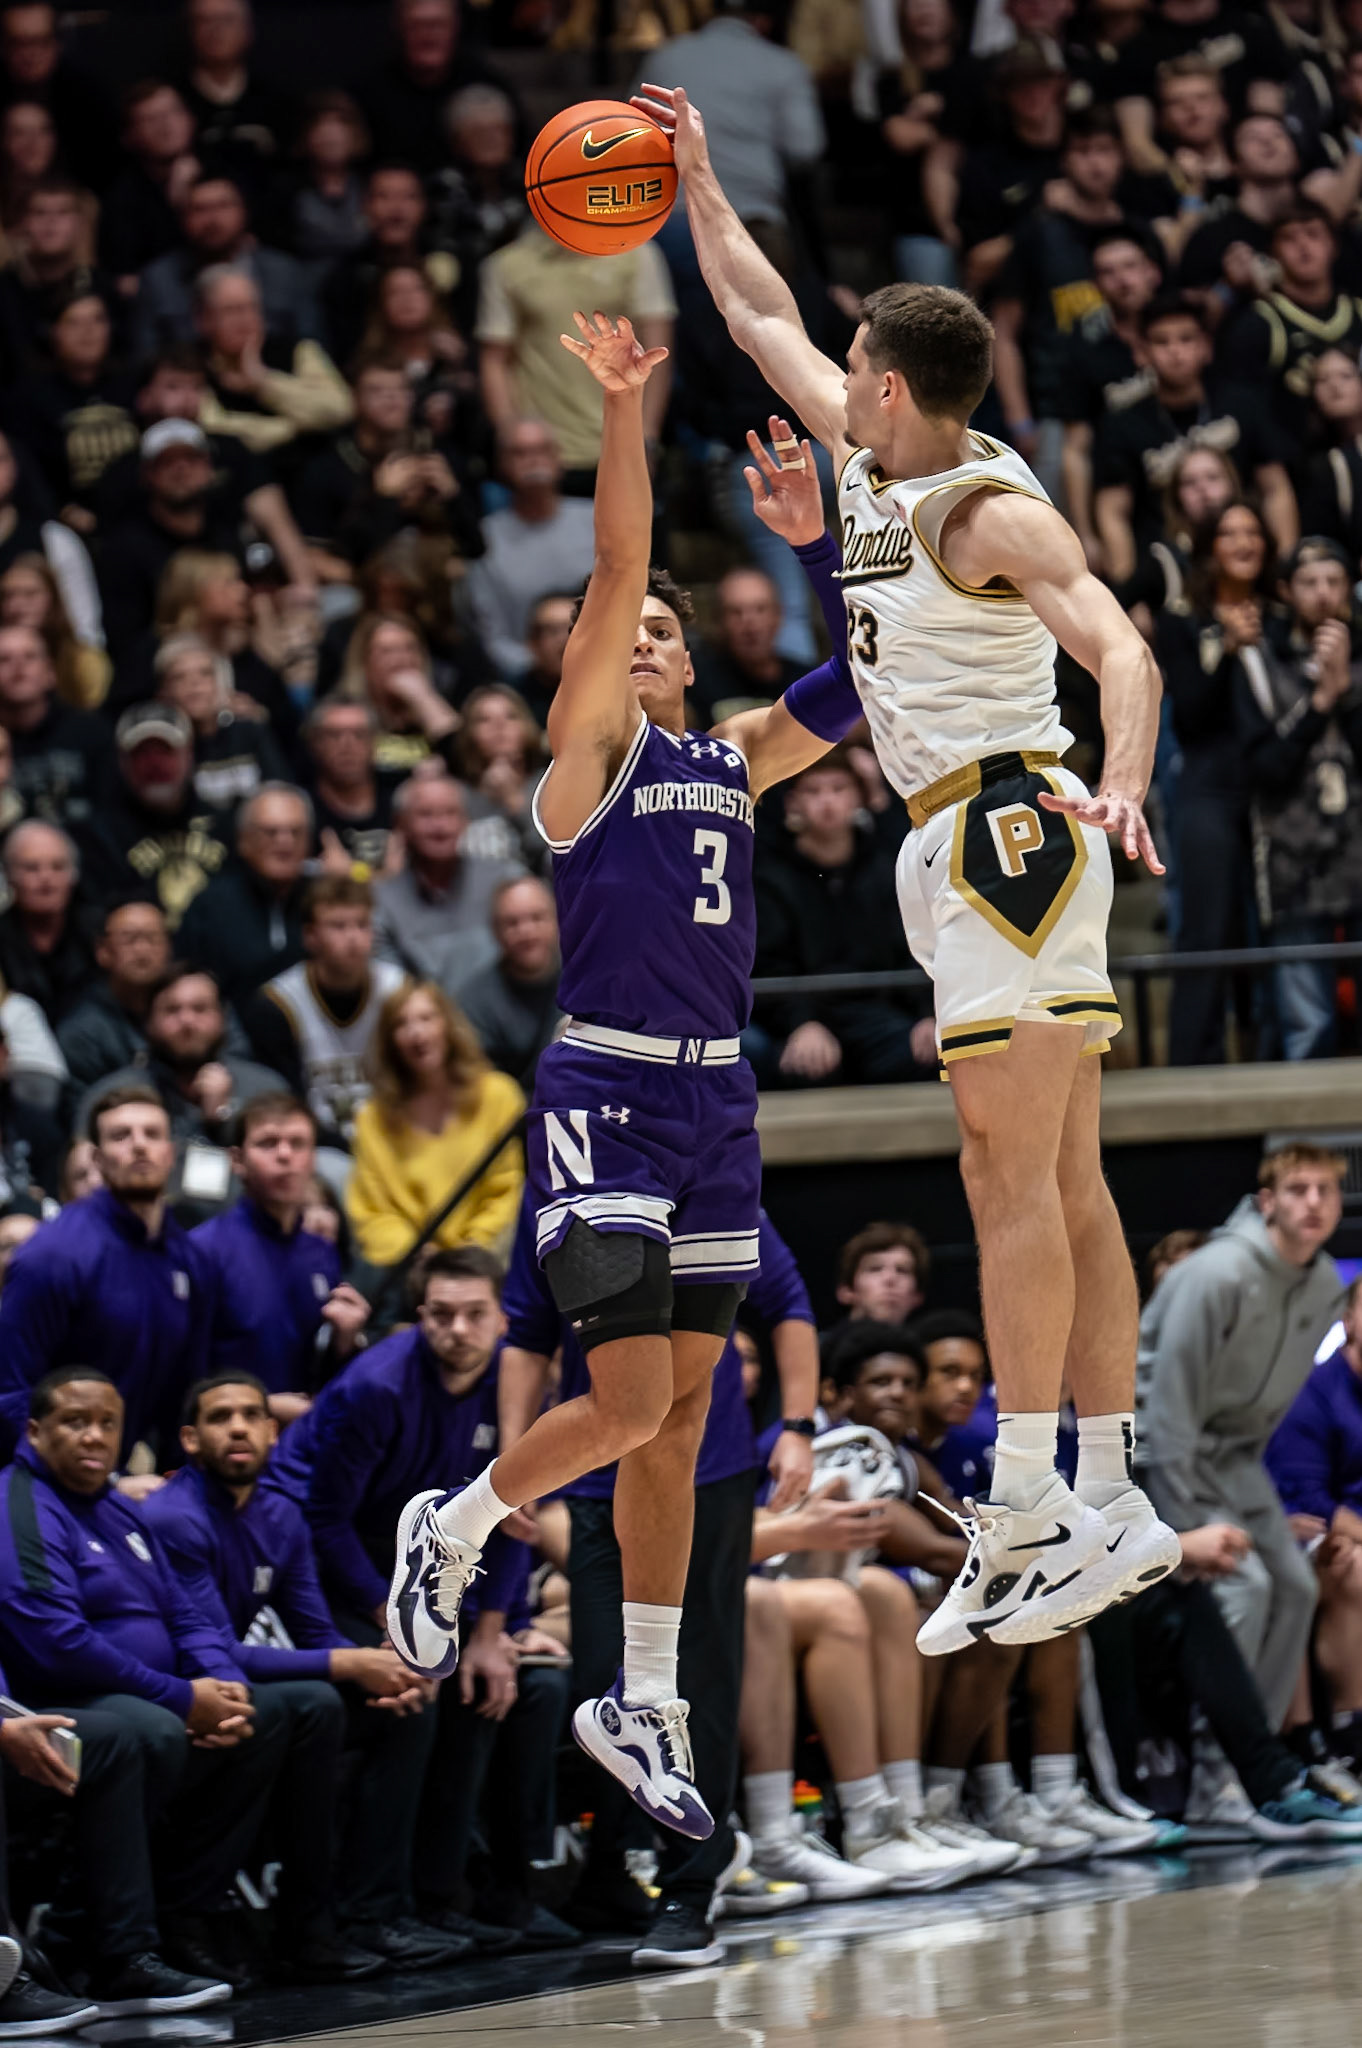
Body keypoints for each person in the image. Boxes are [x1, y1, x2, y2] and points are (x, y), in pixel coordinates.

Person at [650, 79, 1181, 1650]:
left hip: (1011, 828)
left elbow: (1121, 647)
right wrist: (696, 182)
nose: (832, 373)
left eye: (851, 365)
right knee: (1061, 1178)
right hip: (961, 832)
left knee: (1001, 1179)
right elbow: (753, 311)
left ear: (887, 387)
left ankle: (1022, 1508)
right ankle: (1106, 1494)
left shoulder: (983, 509)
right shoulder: (877, 462)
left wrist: (1123, 778)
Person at [383, 316, 838, 1853]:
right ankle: (453, 1524)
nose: (637, 634)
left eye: (660, 631)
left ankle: (641, 1695)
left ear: (693, 661)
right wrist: (627, 409)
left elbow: (862, 683)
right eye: (617, 626)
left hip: (718, 1102)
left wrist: (819, 543)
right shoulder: (590, 760)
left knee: (681, 1415)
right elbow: (617, 558)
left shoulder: (736, 757)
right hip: (609, 1091)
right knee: (630, 1396)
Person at [498, 1201, 824, 1964]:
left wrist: (799, 1427)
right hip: (592, 1477)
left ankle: (690, 1886)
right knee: (601, 1684)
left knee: (697, 1680)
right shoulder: (555, 1191)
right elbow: (527, 1334)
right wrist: (516, 1464)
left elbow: (789, 1304)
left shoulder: (711, 1180)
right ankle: (612, 1867)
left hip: (708, 1474)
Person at [262, 1246, 531, 1958]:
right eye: (441, 1314)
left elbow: (516, 1517)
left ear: (502, 1318)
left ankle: (443, 1899)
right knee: (410, 1689)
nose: (457, 1329)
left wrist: (492, 1633)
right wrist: (391, 1618)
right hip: (322, 1553)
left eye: (474, 1314)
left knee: (491, 1685)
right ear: (419, 1316)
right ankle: (370, 1910)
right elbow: (324, 1520)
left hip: (423, 1553)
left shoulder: (519, 1386)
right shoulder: (376, 1387)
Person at [144, 1372, 428, 1983]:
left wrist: (381, 1668)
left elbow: (315, 1631)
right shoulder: (173, 1517)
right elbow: (211, 1650)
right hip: (178, 1689)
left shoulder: (281, 1514)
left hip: (239, 1682)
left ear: (274, 1432)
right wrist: (353, 1663)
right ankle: (218, 1918)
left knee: (402, 1707)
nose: (238, 1428)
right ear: (190, 1440)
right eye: (220, 1417)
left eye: (251, 1415)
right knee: (310, 1705)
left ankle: (372, 1911)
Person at [0, 1368, 251, 2013]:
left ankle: (184, 1922)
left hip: (125, 1696)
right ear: (34, 1431)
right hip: (52, 1697)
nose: (93, 1437)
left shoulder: (116, 1507)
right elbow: (54, 1642)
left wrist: (223, 1682)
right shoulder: (21, 1503)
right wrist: (181, 1697)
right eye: (74, 1422)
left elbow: (184, 1612)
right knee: (135, 1732)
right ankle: (111, 1951)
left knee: (286, 1712)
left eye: (107, 1423)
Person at [1138, 1145, 1346, 1733]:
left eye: (1326, 1190)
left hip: (1235, 1462)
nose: (1314, 1202)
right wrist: (1183, 1526)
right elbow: (1169, 1402)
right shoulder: (1216, 1273)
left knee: (1297, 1587)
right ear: (1267, 1202)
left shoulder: (1323, 1282)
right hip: (1160, 1455)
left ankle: (1265, 1760)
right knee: (1246, 1588)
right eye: (1298, 1189)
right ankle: (1218, 1770)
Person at [0, 1087, 208, 1460]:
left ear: (170, 1152)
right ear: (98, 1158)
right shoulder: (54, 1253)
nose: (139, 1145)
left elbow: (185, 1393)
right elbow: (10, 1391)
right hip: (50, 1472)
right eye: (120, 1135)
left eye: (152, 1134)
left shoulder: (187, 1258)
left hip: (124, 1468)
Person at [1155, 498, 1272, 1063]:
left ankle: (1270, 1051)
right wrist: (1225, 649)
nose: (1244, 542)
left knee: (1272, 927)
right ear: (1208, 548)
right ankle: (1192, 1063)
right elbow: (1191, 715)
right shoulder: (1183, 621)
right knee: (1208, 922)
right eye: (1230, 533)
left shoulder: (1281, 613)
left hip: (1276, 787)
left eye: (1253, 532)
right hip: (1208, 783)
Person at [1236, 536, 1362, 1059]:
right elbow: (1264, 769)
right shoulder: (1258, 660)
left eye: (1334, 581)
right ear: (1286, 591)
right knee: (1308, 1026)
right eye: (1310, 583)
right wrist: (1322, 700)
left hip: (1357, 850)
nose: (1324, 593)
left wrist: (1346, 694)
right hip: (1293, 860)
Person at [749, 747, 934, 1087]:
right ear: (792, 803)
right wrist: (801, 1024)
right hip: (799, 1021)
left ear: (859, 798)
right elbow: (768, 965)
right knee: (795, 1066)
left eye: (838, 788)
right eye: (813, 791)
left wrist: (928, 1015)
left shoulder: (886, 869)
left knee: (931, 1052)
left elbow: (914, 948)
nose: (827, 802)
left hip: (879, 1017)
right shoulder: (769, 877)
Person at [190, 1096, 369, 1417]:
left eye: (298, 1144)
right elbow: (184, 1375)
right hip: (229, 1434)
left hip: (303, 1435)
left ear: (312, 1159)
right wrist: (265, 1406)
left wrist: (346, 1342)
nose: (285, 1155)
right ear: (237, 1160)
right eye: (268, 1143)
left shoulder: (320, 1252)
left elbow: (322, 1371)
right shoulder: (203, 1250)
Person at [476, 225, 675, 489]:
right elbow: (494, 360)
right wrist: (509, 436)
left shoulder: (638, 255)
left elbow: (657, 352)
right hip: (542, 451)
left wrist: (647, 438)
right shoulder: (507, 265)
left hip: (622, 443)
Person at [346, 977, 523, 1269]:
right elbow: (373, 1212)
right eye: (401, 1024)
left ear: (448, 1026)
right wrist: (422, 1258)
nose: (416, 1033)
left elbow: (507, 1189)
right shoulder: (372, 1118)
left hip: (490, 1258)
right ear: (389, 1041)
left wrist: (470, 1251)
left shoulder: (498, 1096)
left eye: (426, 1018)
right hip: (410, 1268)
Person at [240, 879, 406, 1150]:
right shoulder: (279, 1004)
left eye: (362, 924)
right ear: (310, 936)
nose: (353, 938)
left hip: (395, 1138)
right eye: (338, 926)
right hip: (314, 1147)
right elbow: (283, 1100)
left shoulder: (398, 992)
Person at [72, 963, 285, 1166]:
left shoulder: (265, 1091)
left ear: (222, 1018)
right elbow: (85, 1176)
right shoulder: (112, 1097)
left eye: (200, 1009)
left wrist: (222, 1118)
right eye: (172, 1010)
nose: (187, 1021)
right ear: (149, 1022)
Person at [77, 701, 234, 929]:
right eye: (141, 753)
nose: (154, 764)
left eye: (165, 751)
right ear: (122, 762)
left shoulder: (225, 826)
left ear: (189, 754)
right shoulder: (100, 838)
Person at [372, 771, 523, 994]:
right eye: (426, 815)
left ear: (465, 821)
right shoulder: (380, 900)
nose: (440, 826)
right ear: (401, 824)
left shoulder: (505, 881)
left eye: (450, 813)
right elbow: (392, 991)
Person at [465, 420, 594, 681]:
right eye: (520, 453)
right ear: (501, 465)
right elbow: (494, 636)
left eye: (542, 450)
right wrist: (543, 670)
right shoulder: (485, 539)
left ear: (559, 458)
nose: (533, 461)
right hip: (527, 678)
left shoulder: (599, 520)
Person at [175, 782, 310, 1004]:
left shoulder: (326, 900)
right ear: (244, 840)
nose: (285, 842)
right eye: (271, 832)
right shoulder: (210, 907)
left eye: (296, 832)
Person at [457, 874, 561, 1090]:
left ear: (557, 920)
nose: (526, 932)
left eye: (537, 918)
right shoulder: (474, 1003)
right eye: (512, 923)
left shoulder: (587, 980)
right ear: (495, 932)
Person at [55, 897, 170, 1090]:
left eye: (152, 938)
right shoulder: (82, 1032)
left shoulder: (188, 1009)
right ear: (103, 951)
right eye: (129, 939)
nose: (142, 950)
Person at [0, 816, 93, 1024]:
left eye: (58, 867)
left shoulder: (99, 933)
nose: (46, 878)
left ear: (74, 874)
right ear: (9, 875)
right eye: (31, 868)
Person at [689, 567, 804, 727]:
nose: (750, 625)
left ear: (778, 615)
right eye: (735, 612)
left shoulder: (805, 682)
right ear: (719, 620)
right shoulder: (695, 678)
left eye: (760, 609)